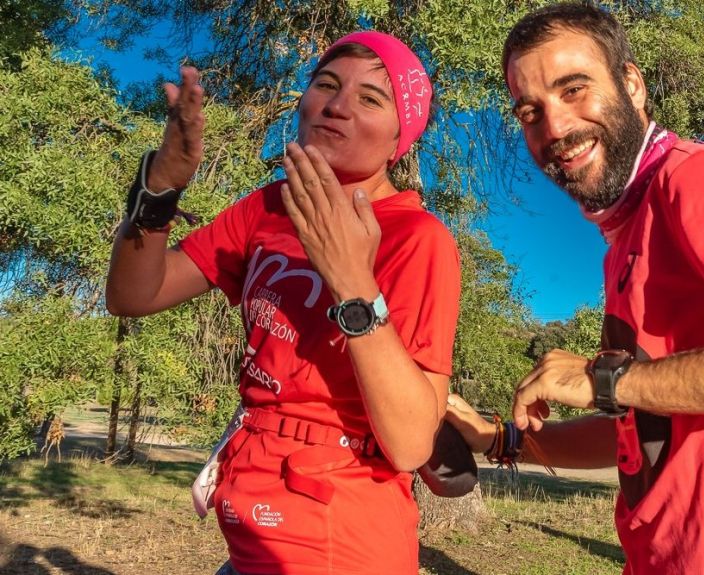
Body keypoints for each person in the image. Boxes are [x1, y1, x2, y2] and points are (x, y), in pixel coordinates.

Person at [445, 3, 704, 574]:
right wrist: (502, 440)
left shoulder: (696, 178)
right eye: (531, 111)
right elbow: (644, 421)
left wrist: (606, 379)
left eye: (574, 90)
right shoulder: (628, 232)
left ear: (632, 84)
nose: (556, 127)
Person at [105, 31, 460, 575]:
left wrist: (352, 282)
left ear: (399, 140)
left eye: (371, 98)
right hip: (251, 502)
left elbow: (413, 443)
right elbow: (133, 294)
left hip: (337, 528)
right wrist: (160, 190)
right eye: (326, 84)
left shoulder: (418, 238)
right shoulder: (268, 208)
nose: (337, 105)